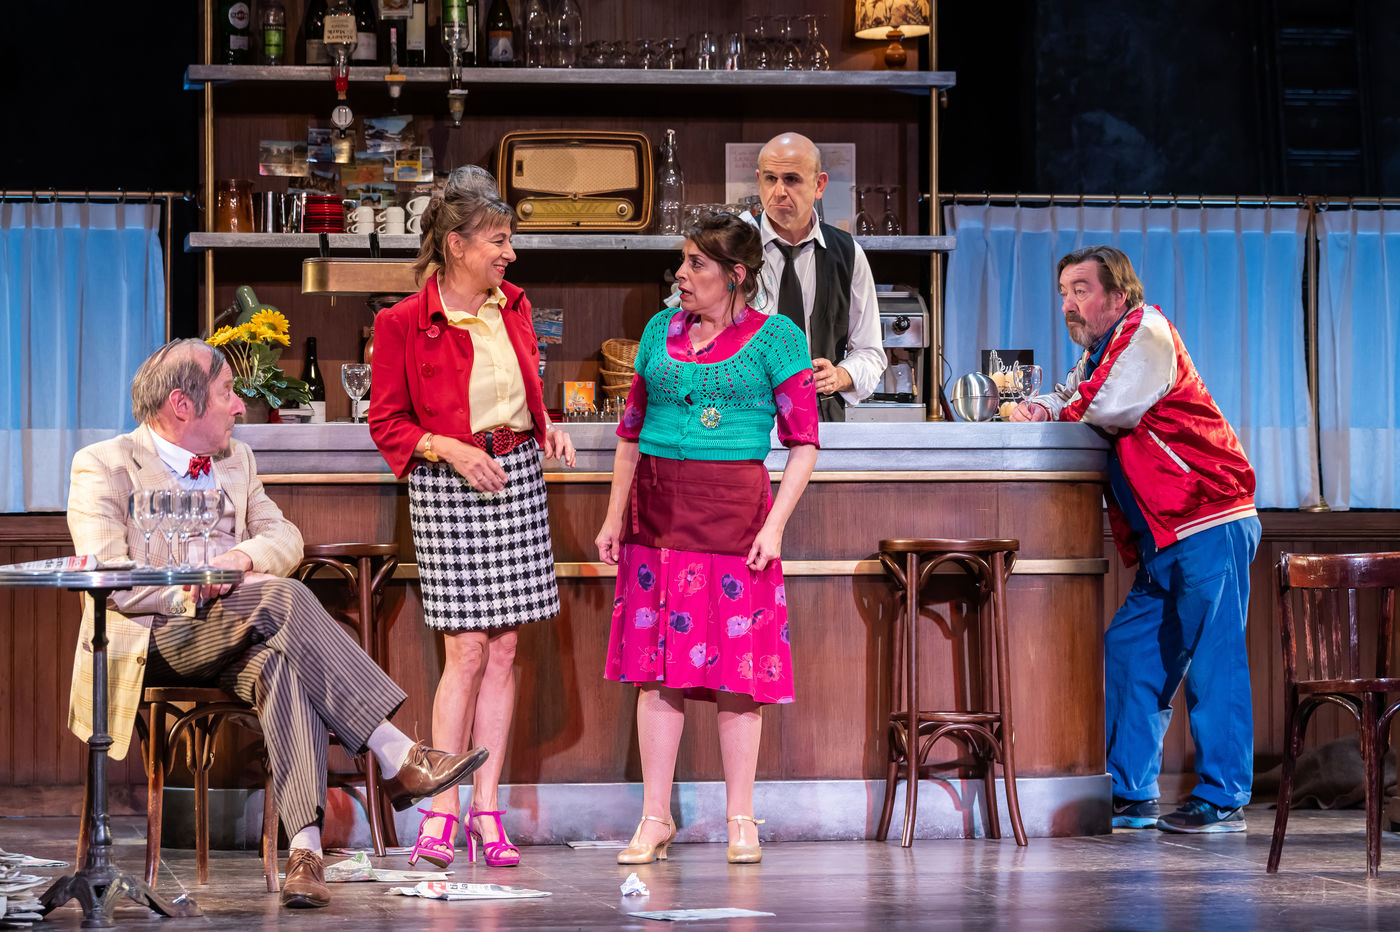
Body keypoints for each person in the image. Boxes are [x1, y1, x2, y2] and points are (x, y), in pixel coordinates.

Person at [66, 339, 489, 910]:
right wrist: (189, 587)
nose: (240, 406)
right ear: (182, 405)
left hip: (237, 630)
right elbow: (113, 583)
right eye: (227, 393)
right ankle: (397, 754)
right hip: (155, 637)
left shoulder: (236, 459)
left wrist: (239, 560)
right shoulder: (104, 464)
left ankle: (305, 854)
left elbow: (285, 536)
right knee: (283, 597)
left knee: (282, 665)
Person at [1011, 246, 1261, 834]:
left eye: (1081, 290)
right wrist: (1037, 408)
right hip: (1164, 535)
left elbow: (1107, 405)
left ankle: (1225, 795)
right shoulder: (1099, 352)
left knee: (1214, 659)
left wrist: (1050, 411)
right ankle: (1130, 790)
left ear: (1118, 295)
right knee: (1130, 647)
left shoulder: (1146, 330)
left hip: (1208, 517)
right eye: (1063, 293)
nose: (1068, 304)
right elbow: (1072, 395)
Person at [595, 213, 819, 865]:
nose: (682, 275)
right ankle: (655, 816)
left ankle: (740, 818)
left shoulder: (778, 339)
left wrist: (775, 526)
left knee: (736, 674)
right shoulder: (657, 331)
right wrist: (613, 518)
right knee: (655, 673)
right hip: (656, 522)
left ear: (735, 275)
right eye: (683, 262)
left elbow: (804, 444)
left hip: (735, 522)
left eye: (696, 264)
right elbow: (630, 433)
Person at [368, 165, 576, 870]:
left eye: (509, 241)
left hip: (516, 477)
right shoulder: (403, 322)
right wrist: (449, 447)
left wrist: (547, 426)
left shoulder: (512, 305)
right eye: (497, 241)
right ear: (456, 245)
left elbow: (520, 391)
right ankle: (442, 808)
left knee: (506, 648)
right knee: (466, 650)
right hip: (450, 483)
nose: (509, 254)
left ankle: (487, 810)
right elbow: (387, 423)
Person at [753, 131, 885, 421]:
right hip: (745, 421)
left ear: (819, 185)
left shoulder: (847, 253)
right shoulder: (733, 247)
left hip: (821, 420)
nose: (779, 191)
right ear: (759, 179)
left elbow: (870, 352)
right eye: (770, 179)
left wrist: (840, 375)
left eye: (792, 179)